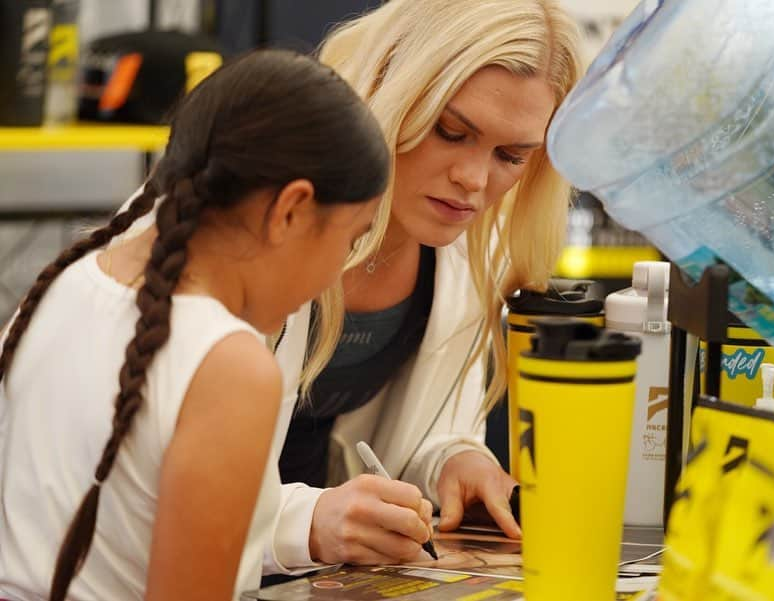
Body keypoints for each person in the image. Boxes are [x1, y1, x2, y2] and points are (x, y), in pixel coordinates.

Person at [0, 50, 409, 601]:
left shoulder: (59, 287)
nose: (339, 272)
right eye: (351, 238)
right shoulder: (230, 365)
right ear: (290, 210)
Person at [266, 0, 584, 571]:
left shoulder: (465, 249)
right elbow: (148, 481)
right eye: (451, 131)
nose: (474, 180)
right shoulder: (255, 212)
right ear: (387, 87)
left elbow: (406, 439)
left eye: (512, 156)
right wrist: (303, 524)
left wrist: (452, 463)